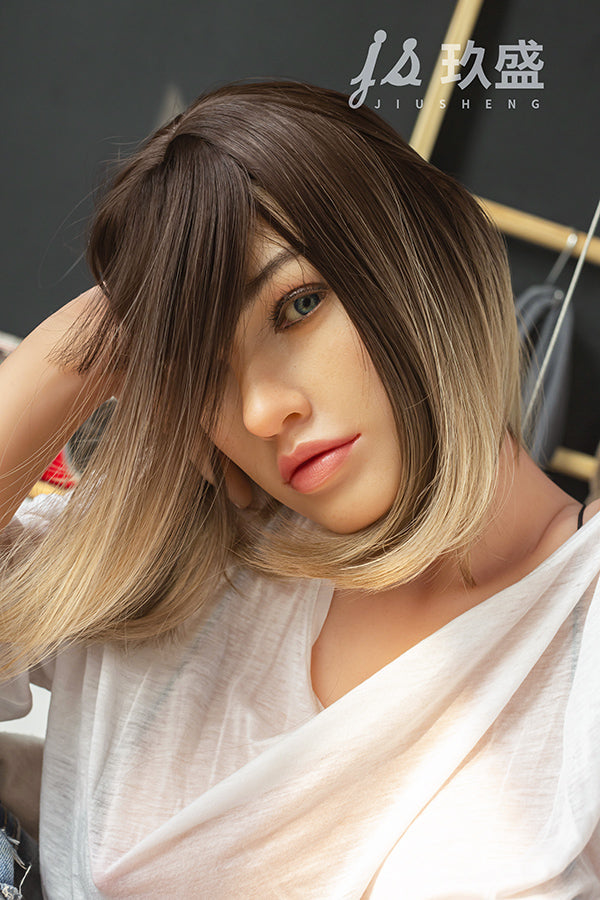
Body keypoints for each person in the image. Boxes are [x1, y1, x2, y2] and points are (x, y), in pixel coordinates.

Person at [0, 79, 598, 898]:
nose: (259, 410)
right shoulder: (169, 565)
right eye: (203, 371)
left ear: (428, 254)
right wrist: (75, 350)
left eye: (298, 305)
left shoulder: (577, 625)